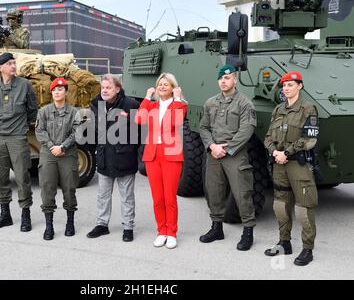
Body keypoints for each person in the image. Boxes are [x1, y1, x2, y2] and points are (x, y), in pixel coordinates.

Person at [199, 64, 257, 251]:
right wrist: (212, 146)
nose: (223, 81)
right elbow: (203, 127)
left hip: (235, 155)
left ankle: (248, 232)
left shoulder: (244, 103)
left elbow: (247, 129)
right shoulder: (210, 102)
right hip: (214, 153)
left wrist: (228, 149)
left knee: (242, 193)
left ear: (235, 79)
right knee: (214, 191)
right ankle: (217, 228)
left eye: (227, 78)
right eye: (221, 79)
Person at [264, 71, 319, 266]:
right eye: (284, 85)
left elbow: (310, 139)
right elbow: (268, 137)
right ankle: (284, 242)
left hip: (298, 165)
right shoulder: (278, 109)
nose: (286, 88)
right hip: (279, 165)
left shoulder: (308, 109)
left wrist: (286, 153)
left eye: (291, 85)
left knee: (304, 208)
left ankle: (307, 249)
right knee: (280, 206)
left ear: (300, 86)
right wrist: (274, 152)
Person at [135, 72, 187, 249]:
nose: (162, 86)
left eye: (166, 84)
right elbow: (139, 119)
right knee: (157, 198)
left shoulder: (179, 105)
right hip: (152, 155)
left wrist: (178, 99)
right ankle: (161, 231)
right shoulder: (152, 105)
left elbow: (176, 121)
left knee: (169, 197)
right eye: (160, 84)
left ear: (173, 88)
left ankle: (172, 232)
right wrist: (147, 97)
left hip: (171, 155)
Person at [0, 52, 38, 232]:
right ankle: (5, 214)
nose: (13, 66)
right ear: (0, 68)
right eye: (9, 64)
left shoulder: (25, 85)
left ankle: (26, 215)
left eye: (14, 63)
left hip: (17, 137)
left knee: (22, 177)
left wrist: (21, 125)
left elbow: (33, 110)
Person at [86, 74, 140, 242]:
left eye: (108, 87)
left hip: (124, 158)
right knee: (103, 195)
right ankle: (102, 225)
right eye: (103, 87)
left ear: (117, 89)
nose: (105, 90)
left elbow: (140, 132)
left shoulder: (130, 104)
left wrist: (128, 148)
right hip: (104, 158)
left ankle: (128, 227)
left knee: (127, 197)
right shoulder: (96, 105)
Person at [35, 77, 81, 240]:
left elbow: (77, 132)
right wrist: (51, 146)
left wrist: (63, 147)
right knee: (47, 188)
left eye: (60, 89)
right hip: (48, 154)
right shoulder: (44, 111)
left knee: (69, 189)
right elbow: (39, 131)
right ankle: (49, 226)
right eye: (54, 90)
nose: (57, 92)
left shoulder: (75, 112)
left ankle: (70, 222)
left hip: (67, 154)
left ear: (66, 92)